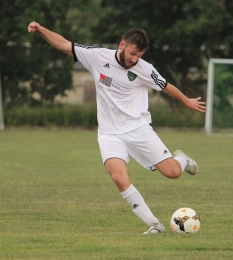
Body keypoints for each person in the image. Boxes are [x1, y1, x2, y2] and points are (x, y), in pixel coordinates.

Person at [28, 21, 206, 234]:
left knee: (172, 173)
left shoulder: (144, 69)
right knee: (119, 179)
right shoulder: (97, 56)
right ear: (122, 45)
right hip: (109, 134)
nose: (135, 59)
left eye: (139, 55)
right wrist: (41, 30)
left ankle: (182, 160)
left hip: (138, 129)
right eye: (132, 53)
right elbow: (63, 44)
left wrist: (187, 102)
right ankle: (154, 225)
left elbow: (166, 86)